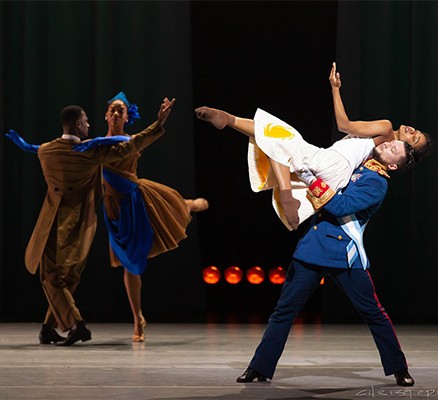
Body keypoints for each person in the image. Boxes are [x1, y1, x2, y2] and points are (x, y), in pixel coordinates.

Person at [235, 146, 416, 387]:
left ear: (393, 165)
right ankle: (259, 367)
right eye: (390, 142)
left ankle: (399, 368)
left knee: (373, 312)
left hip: (344, 254)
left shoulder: (377, 182)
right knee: (283, 311)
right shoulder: (357, 161)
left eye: (394, 150)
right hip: (314, 247)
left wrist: (311, 179)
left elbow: (340, 207)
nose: (388, 145)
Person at [7, 98, 174, 346]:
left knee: (54, 277)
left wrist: (25, 145)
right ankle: (53, 326)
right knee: (65, 278)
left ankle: (74, 326)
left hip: (54, 223)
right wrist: (159, 123)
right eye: (85, 122)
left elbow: (37, 148)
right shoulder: (91, 152)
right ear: (77, 124)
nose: (88, 126)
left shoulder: (47, 151)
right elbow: (132, 144)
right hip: (82, 223)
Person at [195, 62, 430, 230]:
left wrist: (335, 90)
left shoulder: (387, 129)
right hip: (335, 175)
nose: (413, 131)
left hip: (334, 162)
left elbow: (343, 124)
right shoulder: (383, 154)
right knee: (276, 141)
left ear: (409, 150)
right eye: (417, 131)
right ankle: (228, 119)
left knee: (282, 139)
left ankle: (286, 197)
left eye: (415, 139)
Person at [101, 92, 209, 342]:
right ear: (106, 115)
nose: (116, 113)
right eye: (113, 110)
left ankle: (187, 205)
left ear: (127, 117)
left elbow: (145, 137)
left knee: (133, 263)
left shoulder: (130, 141)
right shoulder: (97, 143)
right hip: (113, 210)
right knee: (129, 266)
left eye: (121, 111)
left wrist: (160, 121)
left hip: (133, 203)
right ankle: (138, 316)